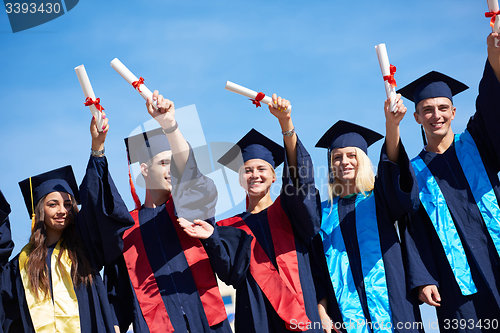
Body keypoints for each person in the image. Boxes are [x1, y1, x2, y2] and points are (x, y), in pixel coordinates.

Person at [180, 95, 323, 332]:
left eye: (261, 169)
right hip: (256, 319)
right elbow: (230, 275)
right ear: (239, 178)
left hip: (302, 314)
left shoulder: (289, 210)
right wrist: (213, 238)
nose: (254, 175)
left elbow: (300, 183)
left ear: (275, 175)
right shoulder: (229, 227)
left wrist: (286, 124)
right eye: (247, 170)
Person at [103, 91, 231, 333]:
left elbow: (190, 173)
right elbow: (117, 297)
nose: (172, 170)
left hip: (208, 324)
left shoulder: (187, 206)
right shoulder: (126, 229)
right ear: (144, 169)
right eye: (163, 163)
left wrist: (170, 126)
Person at [397, 32, 500, 331]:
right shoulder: (412, 171)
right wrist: (424, 278)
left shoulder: (476, 142)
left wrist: (493, 55)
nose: (436, 115)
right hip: (456, 279)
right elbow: (412, 229)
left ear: (454, 112)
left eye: (443, 108)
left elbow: (492, 103)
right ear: (416, 117)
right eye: (427, 110)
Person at [0, 113, 135, 333]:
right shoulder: (20, 266)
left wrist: (97, 147)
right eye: (53, 204)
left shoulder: (85, 246)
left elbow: (95, 201)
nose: (62, 210)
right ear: (39, 212)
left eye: (67, 204)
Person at [310, 95, 423, 333]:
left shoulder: (379, 198)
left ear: (363, 159)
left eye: (352, 155)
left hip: (394, 307)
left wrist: (392, 126)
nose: (344, 162)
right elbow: (318, 271)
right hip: (345, 317)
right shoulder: (323, 213)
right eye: (337, 157)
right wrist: (321, 312)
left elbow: (393, 167)